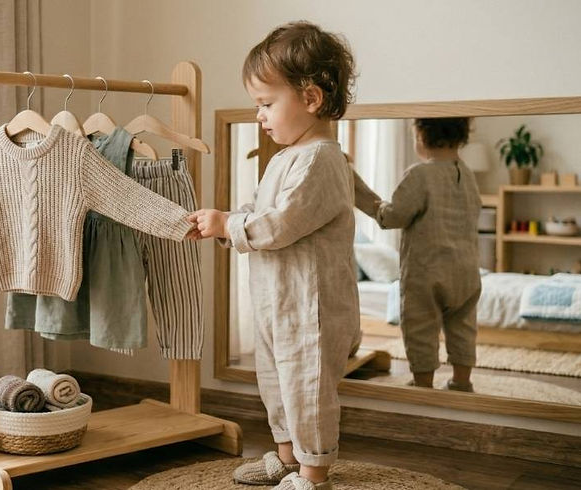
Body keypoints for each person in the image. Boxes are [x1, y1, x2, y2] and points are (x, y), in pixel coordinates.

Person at [189, 21, 360, 490]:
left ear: (310, 99)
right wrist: (228, 219)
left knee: (307, 389)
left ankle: (313, 472)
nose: (259, 115)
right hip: (276, 301)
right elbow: (266, 213)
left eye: (266, 104)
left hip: (310, 308)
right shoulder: (286, 156)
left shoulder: (322, 159)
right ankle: (286, 457)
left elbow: (283, 224)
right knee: (277, 384)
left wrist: (231, 225)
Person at [354, 117, 481, 392]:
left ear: (421, 135)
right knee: (463, 326)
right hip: (467, 272)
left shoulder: (420, 175)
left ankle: (423, 384)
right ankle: (461, 380)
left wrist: (362, 195)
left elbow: (392, 217)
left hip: (428, 271)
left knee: (420, 326)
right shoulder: (467, 174)